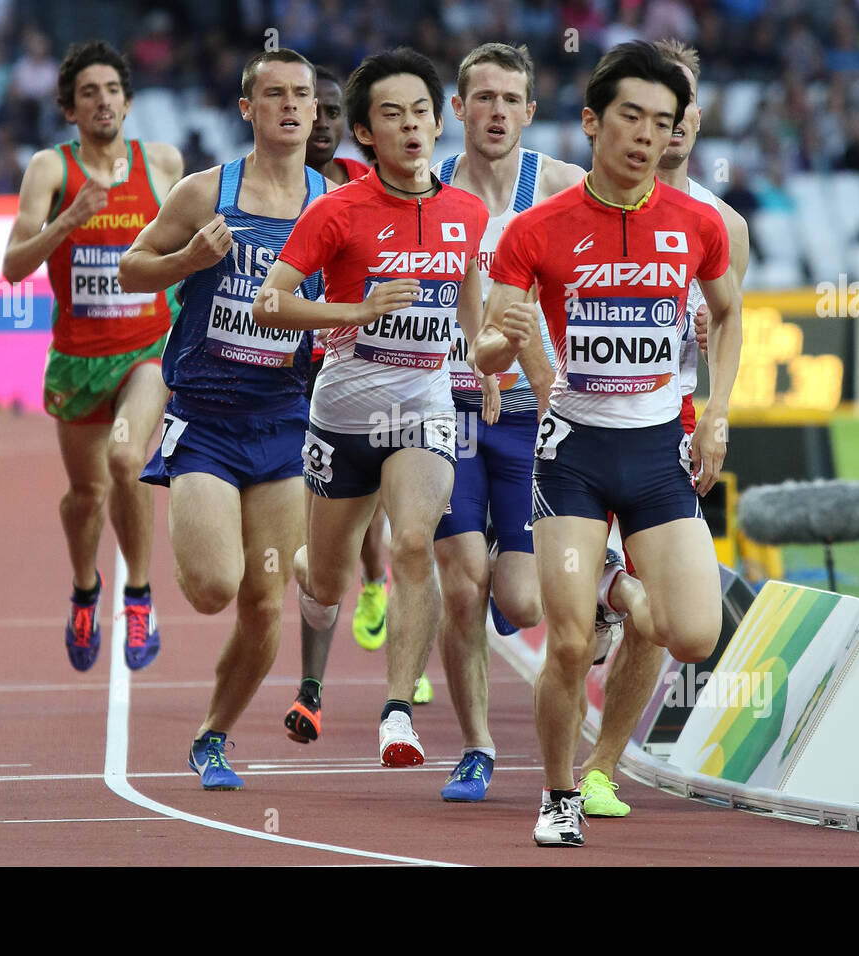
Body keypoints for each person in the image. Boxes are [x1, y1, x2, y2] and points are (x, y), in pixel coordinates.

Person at [472, 40, 742, 847]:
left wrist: (718, 414)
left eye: (663, 122)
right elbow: (488, 350)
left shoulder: (699, 224)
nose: (646, 136)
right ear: (592, 122)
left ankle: (616, 576)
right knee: (570, 641)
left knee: (692, 632)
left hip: (660, 453)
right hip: (573, 455)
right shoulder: (536, 229)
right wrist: (502, 338)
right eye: (630, 116)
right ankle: (560, 797)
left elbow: (727, 313)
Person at [256, 46, 488, 769]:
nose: (413, 127)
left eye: (422, 111)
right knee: (326, 579)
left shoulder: (468, 212)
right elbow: (270, 303)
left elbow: (469, 298)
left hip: (423, 408)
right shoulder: (336, 212)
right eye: (393, 115)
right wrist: (354, 309)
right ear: (364, 132)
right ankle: (310, 591)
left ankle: (396, 713)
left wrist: (485, 356)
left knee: (415, 541)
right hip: (344, 419)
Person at [116, 48, 330, 790]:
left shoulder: (329, 203)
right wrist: (186, 262)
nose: (291, 106)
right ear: (248, 108)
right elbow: (131, 267)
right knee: (214, 586)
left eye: (302, 95)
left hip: (282, 423)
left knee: (265, 601)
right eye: (274, 95)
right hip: (206, 421)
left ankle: (212, 737)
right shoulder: (206, 194)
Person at [577, 38, 751, 820]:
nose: (663, 125)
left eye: (677, 108)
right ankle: (605, 598)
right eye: (645, 109)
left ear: (694, 118)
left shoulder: (723, 225)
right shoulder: (579, 198)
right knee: (568, 624)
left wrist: (716, 415)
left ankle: (603, 768)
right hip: (582, 422)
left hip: (670, 423)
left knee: (670, 614)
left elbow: (726, 324)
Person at [428, 42, 585, 802]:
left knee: (521, 603)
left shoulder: (560, 189)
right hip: (444, 409)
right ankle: (476, 748)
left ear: (529, 110)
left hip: (528, 414)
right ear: (457, 109)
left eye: (509, 100)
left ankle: (504, 569)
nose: (495, 112)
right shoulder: (427, 191)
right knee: (461, 588)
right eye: (480, 98)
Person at [2, 40, 182, 674]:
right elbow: (12, 268)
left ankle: (138, 594)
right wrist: (67, 220)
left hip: (148, 351)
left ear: (128, 102)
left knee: (128, 461)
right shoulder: (51, 170)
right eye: (88, 93)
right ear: (70, 109)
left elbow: (183, 252)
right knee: (85, 495)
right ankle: (85, 590)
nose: (102, 100)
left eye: (111, 90)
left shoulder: (160, 162)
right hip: (78, 359)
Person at [286, 67, 401, 748]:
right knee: (320, 536)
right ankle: (312, 687)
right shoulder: (264, 188)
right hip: (289, 375)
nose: (322, 123)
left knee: (373, 505)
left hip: (359, 372)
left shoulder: (363, 182)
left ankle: (379, 580)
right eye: (312, 109)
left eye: (332, 111)